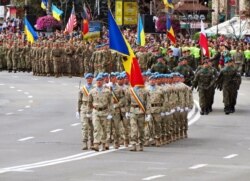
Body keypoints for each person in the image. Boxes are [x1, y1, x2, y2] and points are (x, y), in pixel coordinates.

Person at [88, 75, 112, 151]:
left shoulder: (107, 91)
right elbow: (89, 102)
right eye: (98, 81)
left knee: (104, 128)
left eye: (100, 80)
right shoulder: (92, 91)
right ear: (96, 81)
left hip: (104, 111)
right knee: (96, 128)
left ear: (103, 81)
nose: (99, 82)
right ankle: (96, 144)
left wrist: (110, 113)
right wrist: (89, 112)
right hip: (96, 111)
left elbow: (111, 103)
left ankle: (104, 143)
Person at [77, 73, 95, 150]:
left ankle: (92, 142)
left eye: (90, 78)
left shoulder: (95, 88)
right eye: (88, 78)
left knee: (92, 126)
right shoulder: (82, 89)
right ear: (86, 79)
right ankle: (85, 142)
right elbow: (79, 100)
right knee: (85, 126)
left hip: (92, 108)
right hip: (84, 108)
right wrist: (78, 110)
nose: (89, 79)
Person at [127, 85, 147, 151]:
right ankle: (133, 144)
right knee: (133, 128)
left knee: (141, 129)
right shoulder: (130, 90)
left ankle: (141, 144)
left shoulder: (144, 90)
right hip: (132, 111)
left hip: (141, 111)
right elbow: (128, 101)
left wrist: (148, 113)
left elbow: (147, 102)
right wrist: (127, 111)